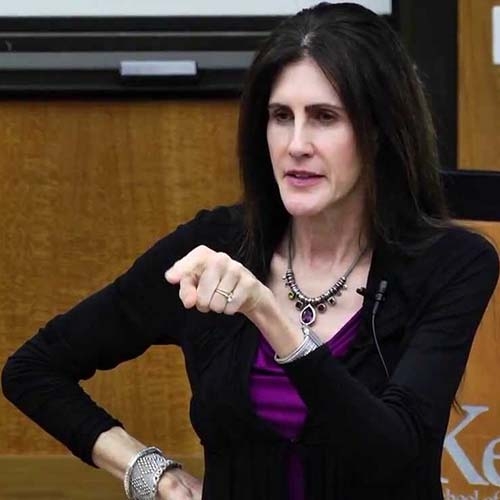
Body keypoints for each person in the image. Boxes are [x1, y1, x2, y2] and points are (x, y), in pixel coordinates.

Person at [2, 2, 499, 499]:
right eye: (281, 116)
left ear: (379, 131)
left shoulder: (452, 263)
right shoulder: (214, 247)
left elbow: (391, 456)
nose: (296, 144)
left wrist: (267, 312)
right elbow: (33, 370)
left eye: (325, 117)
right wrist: (150, 472)